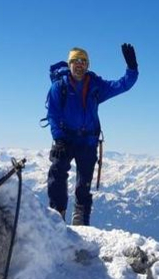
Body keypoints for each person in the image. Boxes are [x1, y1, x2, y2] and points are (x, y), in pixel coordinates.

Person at [46, 44, 139, 225]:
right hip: (64, 139)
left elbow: (123, 85)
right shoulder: (59, 87)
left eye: (83, 62)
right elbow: (53, 114)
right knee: (57, 173)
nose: (79, 65)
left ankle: (80, 218)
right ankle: (57, 215)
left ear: (88, 65)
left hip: (88, 140)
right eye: (75, 61)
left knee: (84, 182)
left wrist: (132, 68)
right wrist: (58, 139)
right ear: (69, 64)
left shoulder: (96, 86)